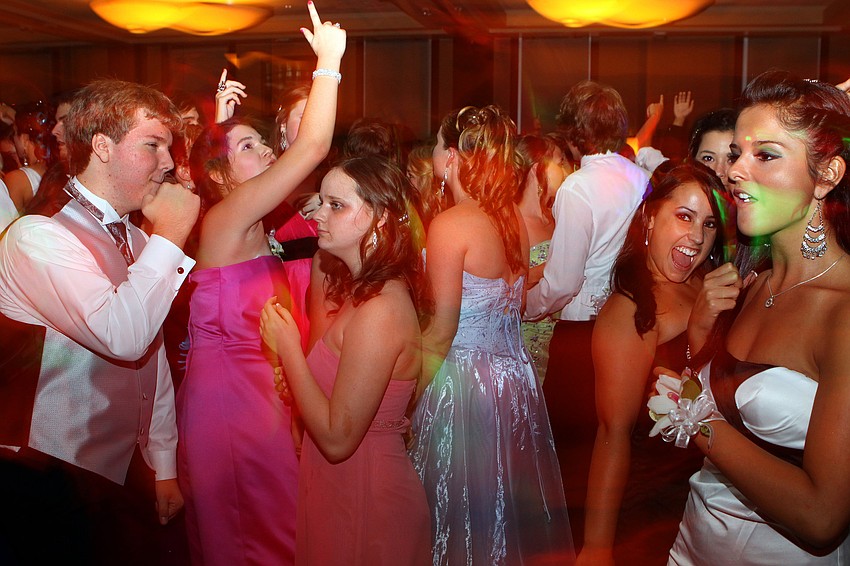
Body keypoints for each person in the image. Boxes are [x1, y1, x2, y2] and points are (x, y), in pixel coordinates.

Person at [0, 78, 199, 565]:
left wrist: (163, 462)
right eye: (152, 145)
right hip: (46, 476)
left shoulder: (138, 238)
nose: (169, 163)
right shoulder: (37, 237)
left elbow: (151, 359)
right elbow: (123, 337)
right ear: (103, 147)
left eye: (168, 147)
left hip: (119, 476)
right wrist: (173, 232)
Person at [658, 70, 850, 565]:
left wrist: (694, 421)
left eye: (765, 155)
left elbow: (822, 517)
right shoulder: (753, 283)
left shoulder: (843, 312)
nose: (735, 170)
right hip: (690, 545)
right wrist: (695, 343)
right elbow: (716, 395)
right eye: (736, 153)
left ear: (827, 175)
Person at [176, 5, 345, 565]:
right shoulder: (225, 220)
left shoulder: (253, 219)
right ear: (220, 175)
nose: (268, 149)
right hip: (229, 401)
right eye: (249, 147)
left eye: (259, 141)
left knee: (274, 529)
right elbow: (311, 148)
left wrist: (218, 130)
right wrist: (328, 64)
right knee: (255, 536)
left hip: (260, 394)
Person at [409, 105, 575, 565]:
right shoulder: (512, 221)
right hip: (513, 381)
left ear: (452, 157)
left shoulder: (450, 225)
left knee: (456, 513)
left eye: (438, 146)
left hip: (462, 384)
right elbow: (514, 306)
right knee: (499, 512)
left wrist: (405, 400)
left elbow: (441, 332)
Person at [259, 155, 431, 566]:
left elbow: (338, 440)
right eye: (321, 202)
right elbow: (340, 397)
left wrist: (289, 349)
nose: (318, 215)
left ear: (381, 219)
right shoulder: (362, 293)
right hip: (342, 486)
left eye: (336, 205)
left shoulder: (381, 308)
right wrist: (301, 383)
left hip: (367, 496)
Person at [576, 164, 725, 566]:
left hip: (713, 498)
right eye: (684, 216)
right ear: (650, 217)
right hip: (654, 507)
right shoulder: (631, 311)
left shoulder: (707, 282)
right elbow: (613, 433)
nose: (697, 237)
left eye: (709, 224)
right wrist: (597, 547)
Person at [524, 80, 650, 542]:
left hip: (582, 335)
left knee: (570, 455)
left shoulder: (577, 188)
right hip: (629, 323)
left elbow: (562, 282)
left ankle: (572, 544)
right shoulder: (639, 177)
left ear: (574, 132)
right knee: (613, 440)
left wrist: (526, 307)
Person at [515, 133, 568, 383]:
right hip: (525, 345)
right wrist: (551, 269)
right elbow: (504, 287)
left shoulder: (557, 215)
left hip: (560, 342)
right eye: (559, 162)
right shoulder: (512, 221)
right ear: (539, 169)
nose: (565, 170)